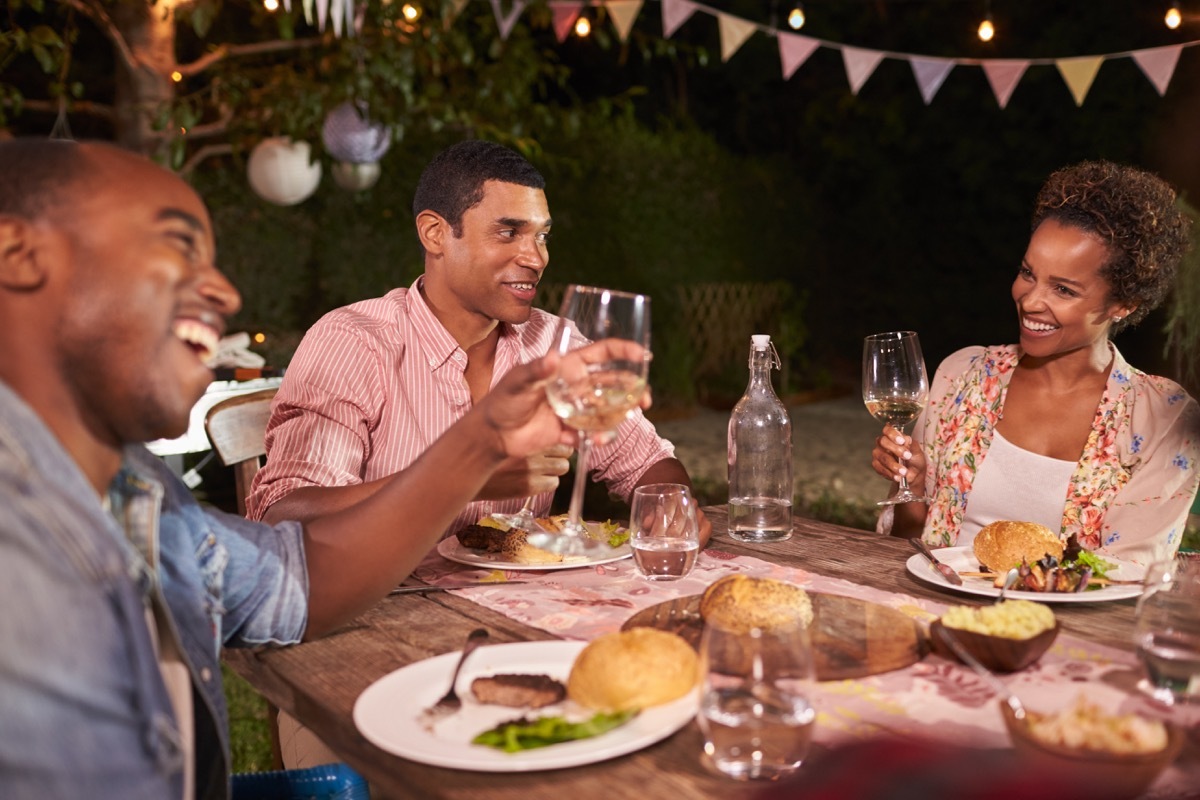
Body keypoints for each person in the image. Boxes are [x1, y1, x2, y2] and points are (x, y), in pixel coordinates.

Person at [0, 138, 646, 799]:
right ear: (18, 254)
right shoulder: (20, 532)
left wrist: (479, 442)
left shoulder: (141, 497)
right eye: (176, 246)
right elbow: (291, 522)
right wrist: (476, 461)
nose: (223, 289)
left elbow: (294, 582)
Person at [245, 139, 710, 543]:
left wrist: (668, 508)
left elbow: (649, 464)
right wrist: (468, 476)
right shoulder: (355, 342)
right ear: (435, 234)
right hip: (379, 622)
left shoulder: (554, 342)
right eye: (509, 232)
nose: (536, 257)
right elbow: (284, 518)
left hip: (521, 614)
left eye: (542, 236)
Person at [873, 160, 1200, 567]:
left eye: (1063, 289)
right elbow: (910, 550)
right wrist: (914, 486)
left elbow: (1132, 578)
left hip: (1069, 629)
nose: (1029, 300)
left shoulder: (1160, 420)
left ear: (1123, 304)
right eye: (1028, 273)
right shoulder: (962, 377)